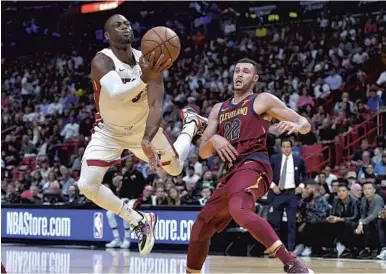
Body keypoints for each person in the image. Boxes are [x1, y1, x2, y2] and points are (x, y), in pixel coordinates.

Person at [78, 14, 207, 256]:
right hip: (109, 132)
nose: (124, 26)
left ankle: (190, 123)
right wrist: (144, 77)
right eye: (118, 24)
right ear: (107, 35)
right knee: (86, 185)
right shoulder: (101, 60)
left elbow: (157, 105)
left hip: (140, 129)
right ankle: (138, 220)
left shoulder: (148, 60)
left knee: (176, 169)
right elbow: (116, 93)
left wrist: (147, 139)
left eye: (127, 23)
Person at [186, 58, 313, 273]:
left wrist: (296, 125)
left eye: (245, 71)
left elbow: (305, 124)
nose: (239, 74)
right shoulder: (219, 109)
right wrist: (214, 139)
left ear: (254, 78)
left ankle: (292, 263)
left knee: (239, 208)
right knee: (201, 225)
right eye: (236, 71)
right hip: (230, 174)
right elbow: (203, 151)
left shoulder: (262, 100)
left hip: (254, 164)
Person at [268, 139, 308, 255]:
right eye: (284, 147)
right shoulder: (274, 159)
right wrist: (272, 185)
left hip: (292, 194)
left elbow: (305, 175)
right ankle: (276, 250)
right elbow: (266, 173)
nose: (286, 149)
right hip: (277, 193)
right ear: (281, 148)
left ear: (292, 147)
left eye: (288, 147)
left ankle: (290, 250)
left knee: (292, 223)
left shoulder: (298, 160)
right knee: (275, 223)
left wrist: (301, 186)